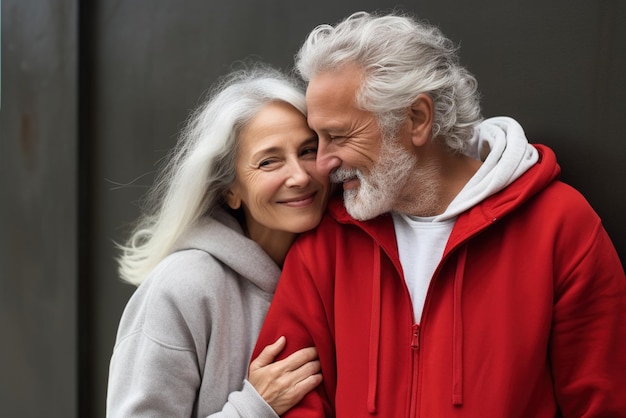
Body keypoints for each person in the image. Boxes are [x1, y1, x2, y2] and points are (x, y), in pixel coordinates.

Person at [252, 11, 626, 417]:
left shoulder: (560, 226)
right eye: (317, 138)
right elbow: (295, 403)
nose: (322, 165)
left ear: (417, 119)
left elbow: (601, 402)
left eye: (339, 136)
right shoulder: (328, 239)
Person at [106, 63, 329, 417]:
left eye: (307, 150)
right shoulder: (182, 287)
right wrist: (254, 408)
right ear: (230, 192)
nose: (300, 176)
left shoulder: (338, 270)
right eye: (270, 162)